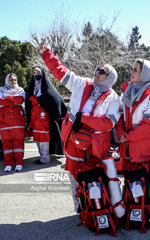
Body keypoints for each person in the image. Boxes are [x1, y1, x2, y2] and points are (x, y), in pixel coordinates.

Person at [38, 41, 120, 212]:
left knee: (97, 174)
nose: (97, 72)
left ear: (110, 77)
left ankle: (98, 206)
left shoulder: (113, 98)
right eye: (98, 69)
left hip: (96, 144)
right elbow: (60, 72)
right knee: (74, 173)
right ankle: (80, 208)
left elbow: (109, 123)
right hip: (74, 140)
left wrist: (85, 118)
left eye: (102, 71)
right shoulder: (82, 83)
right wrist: (47, 54)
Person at [115, 58, 150, 170]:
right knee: (129, 184)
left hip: (145, 152)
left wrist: (128, 137)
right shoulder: (127, 90)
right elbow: (119, 115)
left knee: (145, 185)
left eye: (135, 70)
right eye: (132, 69)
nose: (131, 72)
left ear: (144, 74)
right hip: (128, 150)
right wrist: (120, 133)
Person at [25, 67, 67, 164]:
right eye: (34, 72)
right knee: (37, 137)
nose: (36, 74)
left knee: (44, 137)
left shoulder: (47, 88)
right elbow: (28, 100)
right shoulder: (32, 87)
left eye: (38, 72)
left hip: (44, 118)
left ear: (43, 74)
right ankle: (42, 156)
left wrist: (38, 100)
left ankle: (45, 158)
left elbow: (54, 99)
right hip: (35, 118)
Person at [0, 73, 26, 172]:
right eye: (11, 80)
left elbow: (21, 99)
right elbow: (0, 101)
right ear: (7, 80)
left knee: (18, 141)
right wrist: (14, 100)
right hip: (4, 121)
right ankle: (8, 163)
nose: (13, 82)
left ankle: (19, 162)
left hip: (18, 121)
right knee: (7, 143)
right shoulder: (1, 89)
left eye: (15, 80)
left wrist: (7, 99)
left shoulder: (20, 90)